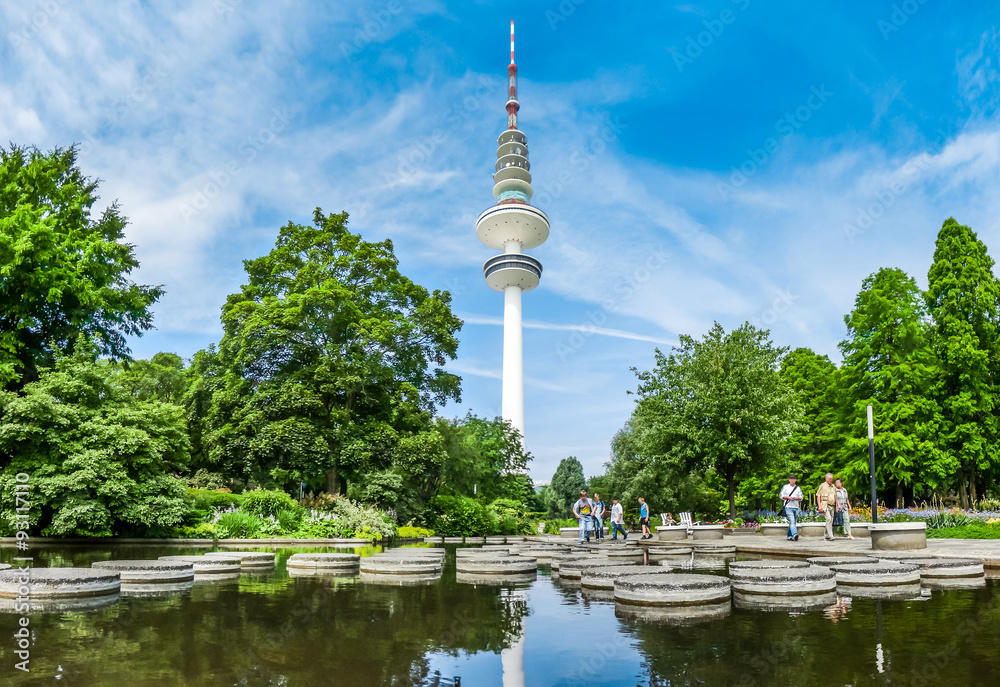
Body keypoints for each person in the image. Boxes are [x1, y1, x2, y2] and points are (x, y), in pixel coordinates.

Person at [779, 474, 803, 541]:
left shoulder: (798, 488)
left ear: (795, 480)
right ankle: (795, 534)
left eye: (794, 479)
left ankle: (789, 536)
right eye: (791, 479)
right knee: (792, 521)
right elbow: (781, 495)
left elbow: (801, 497)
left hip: (796, 507)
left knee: (793, 522)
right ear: (789, 479)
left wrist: (795, 498)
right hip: (788, 507)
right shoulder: (785, 487)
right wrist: (788, 497)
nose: (792, 480)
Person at [816, 473, 837, 541]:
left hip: (832, 505)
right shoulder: (822, 486)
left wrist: (838, 505)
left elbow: (835, 496)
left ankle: (826, 535)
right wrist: (819, 506)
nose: (831, 480)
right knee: (828, 519)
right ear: (826, 479)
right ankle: (831, 536)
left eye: (832, 479)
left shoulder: (833, 486)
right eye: (830, 479)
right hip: (825, 505)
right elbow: (818, 496)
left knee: (830, 521)